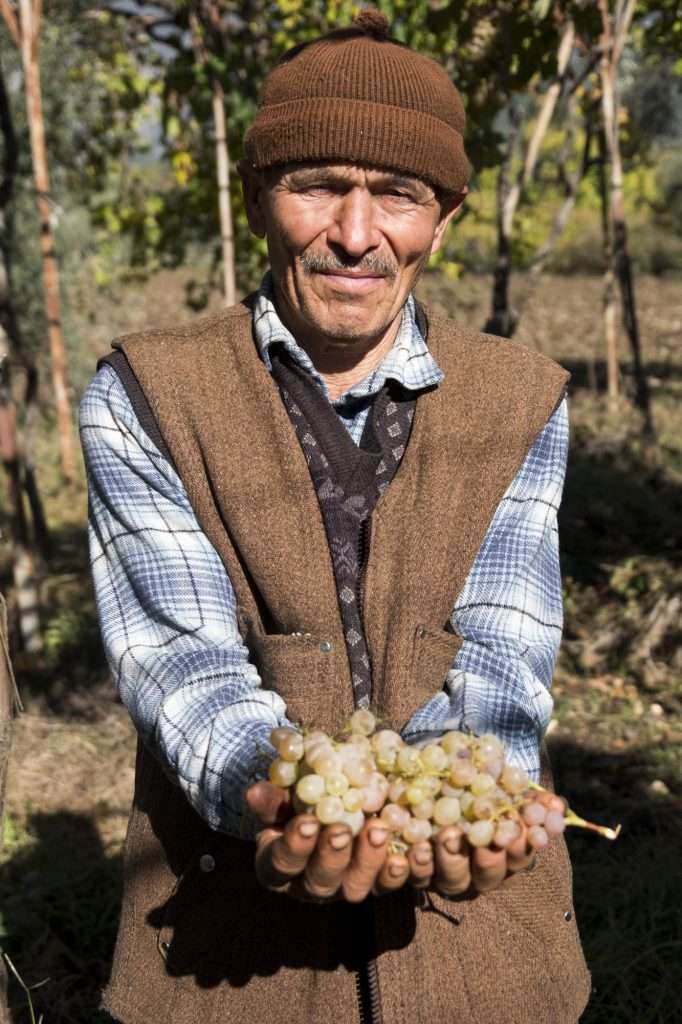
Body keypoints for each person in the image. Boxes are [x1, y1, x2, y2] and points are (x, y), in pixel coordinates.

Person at [81, 8, 591, 1023]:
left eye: (395, 197)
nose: (355, 235)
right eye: (317, 187)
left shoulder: (521, 396)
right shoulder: (148, 391)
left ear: (443, 217)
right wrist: (275, 793)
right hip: (226, 958)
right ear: (262, 196)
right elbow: (180, 661)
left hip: (485, 970)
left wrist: (467, 800)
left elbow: (502, 653)